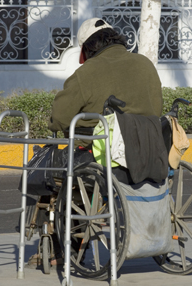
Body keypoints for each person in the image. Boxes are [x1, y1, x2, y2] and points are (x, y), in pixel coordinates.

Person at [28, 17, 163, 267]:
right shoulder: (145, 64)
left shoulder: (88, 71)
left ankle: (61, 247)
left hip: (105, 157)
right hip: (149, 152)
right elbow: (157, 108)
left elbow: (58, 119)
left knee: (45, 172)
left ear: (88, 48)